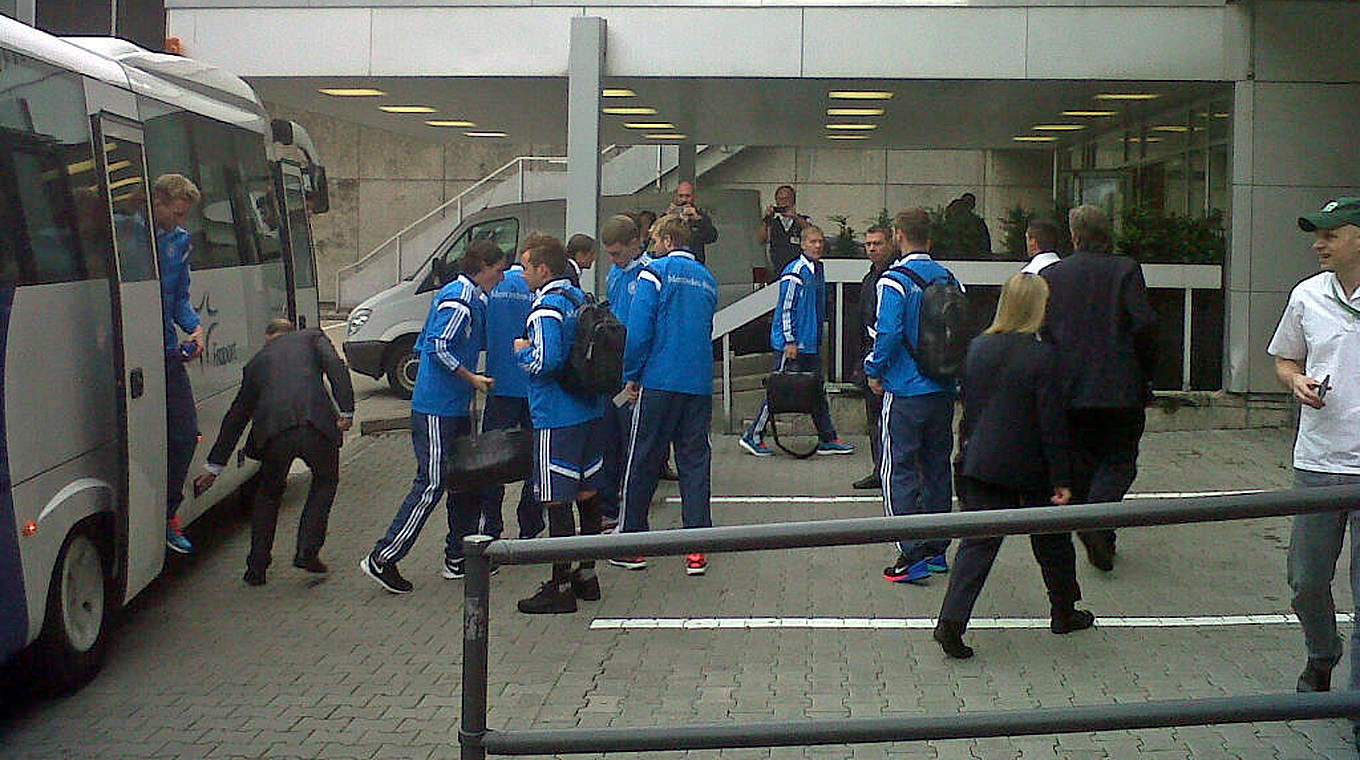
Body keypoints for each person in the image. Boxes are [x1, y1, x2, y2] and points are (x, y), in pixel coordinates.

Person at [932, 273, 1093, 659]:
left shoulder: (977, 348)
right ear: (1038, 307)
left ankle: (950, 623)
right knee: (1053, 541)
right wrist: (1062, 479)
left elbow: (970, 407)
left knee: (978, 545)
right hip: (1029, 466)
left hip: (981, 461)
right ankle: (1064, 610)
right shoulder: (1042, 356)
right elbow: (1051, 422)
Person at [360, 239, 504, 595]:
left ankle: (458, 557)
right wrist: (472, 378)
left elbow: (431, 342)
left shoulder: (466, 296)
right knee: (432, 482)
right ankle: (383, 557)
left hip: (450, 405)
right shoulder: (460, 301)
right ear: (483, 267)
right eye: (498, 270)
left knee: (464, 480)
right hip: (437, 406)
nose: (501, 278)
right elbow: (438, 345)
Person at [1265, 197, 1360, 714]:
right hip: (1319, 461)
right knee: (1306, 582)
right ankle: (1322, 652)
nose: (1317, 244)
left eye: (1329, 234)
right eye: (1317, 235)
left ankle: (1356, 704)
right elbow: (1285, 357)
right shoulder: (1308, 295)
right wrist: (1295, 380)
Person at [193, 320, 355, 586]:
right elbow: (336, 366)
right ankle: (307, 550)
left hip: (274, 434)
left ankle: (257, 566)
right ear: (291, 332)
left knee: (268, 495)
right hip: (316, 427)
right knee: (325, 481)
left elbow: (237, 415)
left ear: (269, 337)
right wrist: (346, 410)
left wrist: (214, 467)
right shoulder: (312, 337)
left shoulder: (257, 362)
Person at [1042, 205, 1157, 572]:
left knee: (1081, 461)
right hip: (1119, 385)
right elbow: (1143, 324)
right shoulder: (1125, 270)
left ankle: (1098, 529)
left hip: (1069, 388)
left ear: (1073, 236)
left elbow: (1043, 330)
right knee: (1120, 460)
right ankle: (1098, 523)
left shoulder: (1053, 275)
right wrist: (1145, 373)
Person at [610, 213, 718, 575]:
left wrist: (632, 374)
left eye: (655, 240)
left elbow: (640, 329)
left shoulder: (654, 273)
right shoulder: (706, 278)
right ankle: (697, 549)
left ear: (668, 240)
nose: (653, 246)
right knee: (694, 462)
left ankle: (633, 543)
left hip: (659, 378)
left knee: (642, 459)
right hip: (698, 381)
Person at [866, 208, 960, 585]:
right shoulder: (950, 277)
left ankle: (910, 552)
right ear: (930, 239)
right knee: (937, 467)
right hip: (942, 387)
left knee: (898, 468)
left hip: (905, 388)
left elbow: (887, 333)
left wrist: (874, 370)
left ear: (898, 237)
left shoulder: (893, 281)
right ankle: (938, 549)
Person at [513, 236, 607, 614]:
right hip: (589, 408)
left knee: (556, 497)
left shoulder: (545, 308)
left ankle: (560, 586)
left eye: (526, 267)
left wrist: (521, 353)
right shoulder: (578, 298)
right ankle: (588, 575)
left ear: (543, 269)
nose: (521, 274)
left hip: (557, 415)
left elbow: (547, 361)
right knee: (588, 494)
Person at [739, 225, 855, 457]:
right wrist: (790, 340)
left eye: (820, 241)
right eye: (812, 242)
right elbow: (786, 308)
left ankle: (828, 437)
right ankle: (753, 434)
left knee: (816, 390)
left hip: (808, 342)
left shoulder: (815, 269)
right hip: (794, 344)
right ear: (802, 244)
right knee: (777, 390)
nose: (818, 245)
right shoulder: (797, 271)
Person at [154, 173, 205, 556]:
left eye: (184, 213)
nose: (179, 219)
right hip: (135, 343)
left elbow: (180, 296)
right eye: (175, 212)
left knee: (186, 434)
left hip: (167, 350)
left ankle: (168, 512)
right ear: (157, 202)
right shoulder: (128, 233)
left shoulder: (180, 241)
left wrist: (195, 328)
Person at [481, 237, 543, 539]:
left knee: (492, 461)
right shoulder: (539, 288)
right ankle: (530, 527)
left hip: (499, 383)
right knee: (536, 459)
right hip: (533, 386)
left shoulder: (493, 287)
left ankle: (490, 528)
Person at [596, 215, 652, 530]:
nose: (613, 260)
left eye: (618, 253)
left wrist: (640, 373)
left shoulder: (649, 275)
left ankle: (632, 506)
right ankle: (609, 505)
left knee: (631, 438)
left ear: (635, 243)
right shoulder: (616, 274)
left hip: (634, 371)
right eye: (610, 255)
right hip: (612, 368)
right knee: (608, 437)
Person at [853, 225, 897, 490]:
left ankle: (893, 471)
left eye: (878, 243)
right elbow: (862, 323)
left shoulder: (894, 277)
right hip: (869, 357)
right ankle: (879, 469)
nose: (872, 248)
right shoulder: (869, 279)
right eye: (868, 244)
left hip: (889, 360)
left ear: (890, 244)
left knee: (891, 421)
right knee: (873, 420)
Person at [758, 185, 810, 282]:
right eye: (780, 199)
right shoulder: (772, 222)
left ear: (793, 201)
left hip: (798, 268)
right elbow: (761, 239)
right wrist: (767, 219)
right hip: (777, 269)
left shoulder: (802, 220)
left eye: (787, 198)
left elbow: (812, 233)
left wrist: (795, 217)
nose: (783, 202)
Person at [667, 180, 718, 263]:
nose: (684, 199)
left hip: (694, 263)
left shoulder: (700, 216)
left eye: (687, 196)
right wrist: (667, 216)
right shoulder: (669, 216)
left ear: (694, 197)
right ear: (676, 196)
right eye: (681, 196)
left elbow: (712, 237)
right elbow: (655, 235)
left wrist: (697, 219)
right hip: (672, 263)